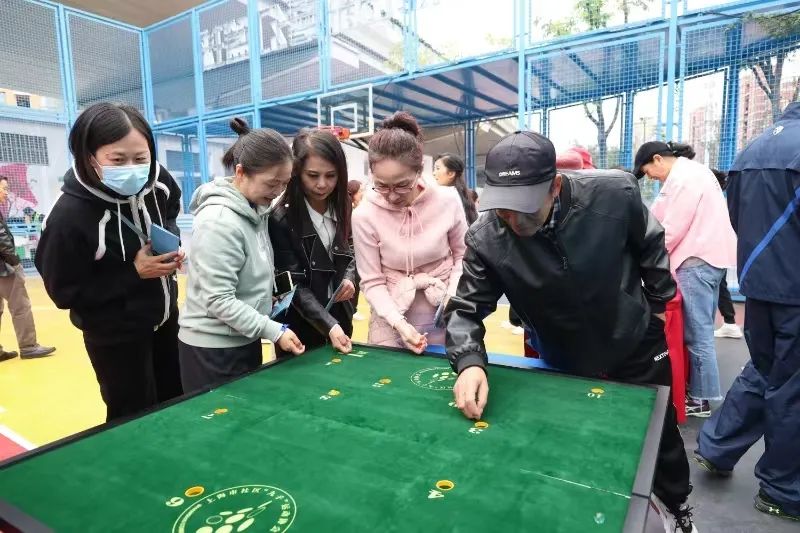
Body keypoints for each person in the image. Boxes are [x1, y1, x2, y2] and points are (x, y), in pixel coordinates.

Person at [445, 131, 696, 533]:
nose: (514, 221)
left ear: (555, 185)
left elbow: (650, 243)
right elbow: (466, 309)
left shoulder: (615, 193)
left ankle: (677, 506)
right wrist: (469, 362)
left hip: (633, 336)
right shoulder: (485, 237)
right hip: (562, 351)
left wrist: (657, 305)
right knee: (576, 438)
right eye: (504, 209)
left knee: (659, 434)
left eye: (525, 208)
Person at [35, 103, 183, 421]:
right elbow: (64, 293)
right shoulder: (67, 218)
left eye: (140, 158)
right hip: (115, 336)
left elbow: (171, 208)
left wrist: (170, 241)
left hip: (165, 319)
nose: (133, 167)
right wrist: (134, 272)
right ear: (90, 157)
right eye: (118, 160)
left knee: (175, 401)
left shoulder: (158, 179)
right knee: (133, 416)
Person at [696, 102, 800, 522]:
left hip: (759, 284)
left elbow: (737, 217)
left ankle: (716, 447)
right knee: (791, 386)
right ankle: (783, 491)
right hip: (795, 287)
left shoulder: (750, 150)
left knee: (764, 368)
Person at [178, 118, 305, 393]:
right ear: (241, 172)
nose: (277, 192)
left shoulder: (256, 209)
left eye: (284, 183)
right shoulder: (219, 222)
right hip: (213, 348)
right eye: (271, 183)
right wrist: (274, 331)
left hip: (245, 337)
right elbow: (218, 299)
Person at [633, 141, 737, 418]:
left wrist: (646, 259)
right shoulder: (694, 172)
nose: (650, 178)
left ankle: (701, 399)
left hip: (695, 261)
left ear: (658, 159)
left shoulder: (683, 178)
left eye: (648, 171)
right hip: (711, 259)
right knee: (702, 331)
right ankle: (700, 390)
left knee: (697, 334)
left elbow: (670, 229)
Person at [352, 112, 468, 352]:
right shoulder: (364, 215)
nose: (392, 195)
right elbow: (372, 281)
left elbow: (463, 255)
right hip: (390, 316)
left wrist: (453, 295)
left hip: (444, 309)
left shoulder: (447, 199)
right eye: (381, 185)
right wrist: (399, 324)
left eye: (402, 185)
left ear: (420, 170)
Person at [269, 129, 356, 357]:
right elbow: (292, 285)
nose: (322, 184)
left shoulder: (343, 204)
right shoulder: (281, 219)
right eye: (313, 175)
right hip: (297, 331)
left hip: (341, 317)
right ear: (296, 172)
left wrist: (349, 277)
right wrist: (329, 325)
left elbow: (351, 248)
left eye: (331, 175)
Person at [0, 176, 55, 362]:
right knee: (20, 306)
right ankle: (29, 347)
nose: (6, 192)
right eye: (3, 188)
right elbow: (2, 239)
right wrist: (15, 262)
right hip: (4, 268)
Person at [710, 169, 743, 339]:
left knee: (717, 286)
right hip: (720, 249)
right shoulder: (722, 201)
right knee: (719, 285)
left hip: (712, 251)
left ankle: (729, 322)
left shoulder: (712, 201)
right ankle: (729, 322)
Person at [432, 153, 478, 224]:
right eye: (434, 169)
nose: (434, 173)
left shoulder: (446, 195)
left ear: (451, 173)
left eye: (438, 168)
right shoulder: (461, 194)